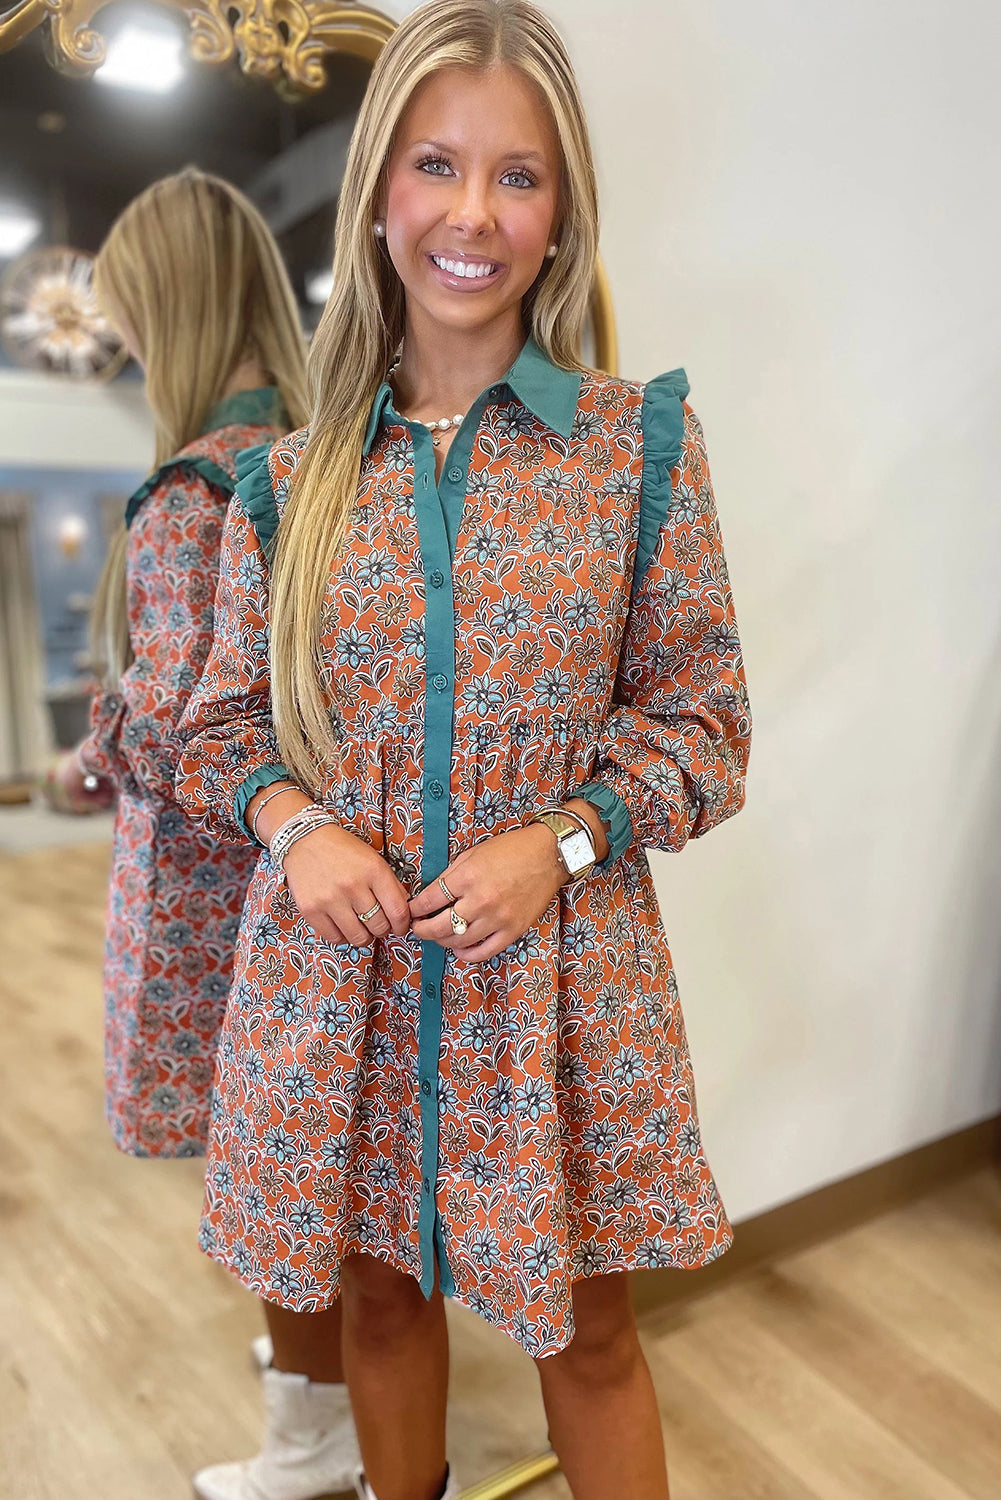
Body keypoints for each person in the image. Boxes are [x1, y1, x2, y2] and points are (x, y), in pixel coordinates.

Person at [177, 3, 751, 1497]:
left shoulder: (633, 450)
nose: (474, 215)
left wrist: (558, 842)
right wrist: (300, 828)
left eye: (519, 176)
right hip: (342, 986)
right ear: (379, 191)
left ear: (561, 215)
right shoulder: (285, 482)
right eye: (437, 164)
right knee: (377, 1296)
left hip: (557, 985)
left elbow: (704, 727)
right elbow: (219, 724)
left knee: (591, 1331)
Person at [55, 170, 366, 1489]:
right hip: (313, 862)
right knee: (326, 1154)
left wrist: (90, 752)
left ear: (167, 307)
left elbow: (181, 727)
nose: (120, 337)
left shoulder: (195, 489)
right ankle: (327, 1370)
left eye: (126, 310)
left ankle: (311, 1429)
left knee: (268, 1171)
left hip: (212, 889)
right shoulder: (320, 451)